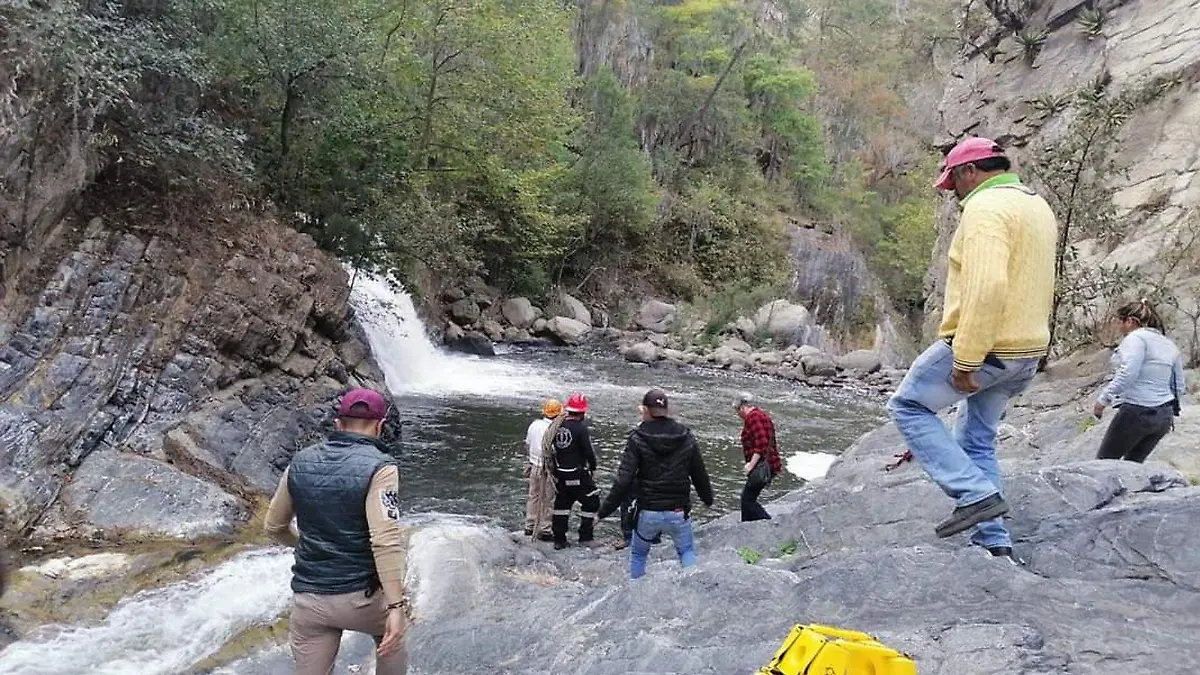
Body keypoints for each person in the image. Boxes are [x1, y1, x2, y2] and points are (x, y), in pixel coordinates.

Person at [885, 137, 1056, 565]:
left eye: (953, 182)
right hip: (1028, 350)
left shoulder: (984, 209)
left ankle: (976, 495)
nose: (953, 193)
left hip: (990, 347)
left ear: (970, 172)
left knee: (908, 406)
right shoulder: (1036, 206)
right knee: (977, 441)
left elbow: (988, 287)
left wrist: (966, 360)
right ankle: (994, 541)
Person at [264, 388, 410, 675]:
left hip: (309, 598)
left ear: (337, 424)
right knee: (393, 638)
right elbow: (384, 540)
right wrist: (396, 606)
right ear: (381, 427)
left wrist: (307, 548)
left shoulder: (299, 463)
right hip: (363, 600)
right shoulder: (381, 468)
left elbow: (274, 527)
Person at [597, 389, 714, 579]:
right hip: (678, 511)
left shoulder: (637, 437)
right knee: (686, 551)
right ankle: (694, 587)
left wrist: (603, 512)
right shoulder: (686, 436)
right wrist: (707, 500)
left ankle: (636, 594)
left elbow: (623, 480)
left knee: (638, 554)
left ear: (645, 410)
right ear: (666, 410)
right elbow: (699, 474)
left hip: (648, 511)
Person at [1093, 300, 1187, 463]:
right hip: (1163, 416)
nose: (1117, 326)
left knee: (1104, 463)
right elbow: (1179, 385)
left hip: (1137, 411)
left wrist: (1103, 400)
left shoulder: (1135, 339)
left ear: (1129, 321)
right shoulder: (1168, 344)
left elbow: (1128, 372)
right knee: (1133, 466)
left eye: (1118, 321)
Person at [548, 392, 600, 550]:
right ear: (582, 412)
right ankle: (585, 536)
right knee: (592, 502)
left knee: (562, 505)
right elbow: (588, 451)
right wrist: (593, 466)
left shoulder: (556, 426)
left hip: (560, 473)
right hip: (577, 473)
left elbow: (551, 450)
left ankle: (559, 539)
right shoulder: (581, 428)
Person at [735, 392, 782, 522]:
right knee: (748, 499)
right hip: (769, 463)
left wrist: (751, 465)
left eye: (737, 411)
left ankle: (769, 523)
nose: (738, 415)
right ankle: (746, 527)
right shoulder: (761, 415)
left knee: (747, 500)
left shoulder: (753, 418)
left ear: (742, 407)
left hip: (763, 465)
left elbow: (761, 444)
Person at [523, 399, 561, 541]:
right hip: (547, 468)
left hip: (534, 465)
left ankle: (530, 525)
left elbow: (527, 444)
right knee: (548, 498)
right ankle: (545, 529)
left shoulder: (534, 425)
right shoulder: (555, 429)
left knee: (533, 496)